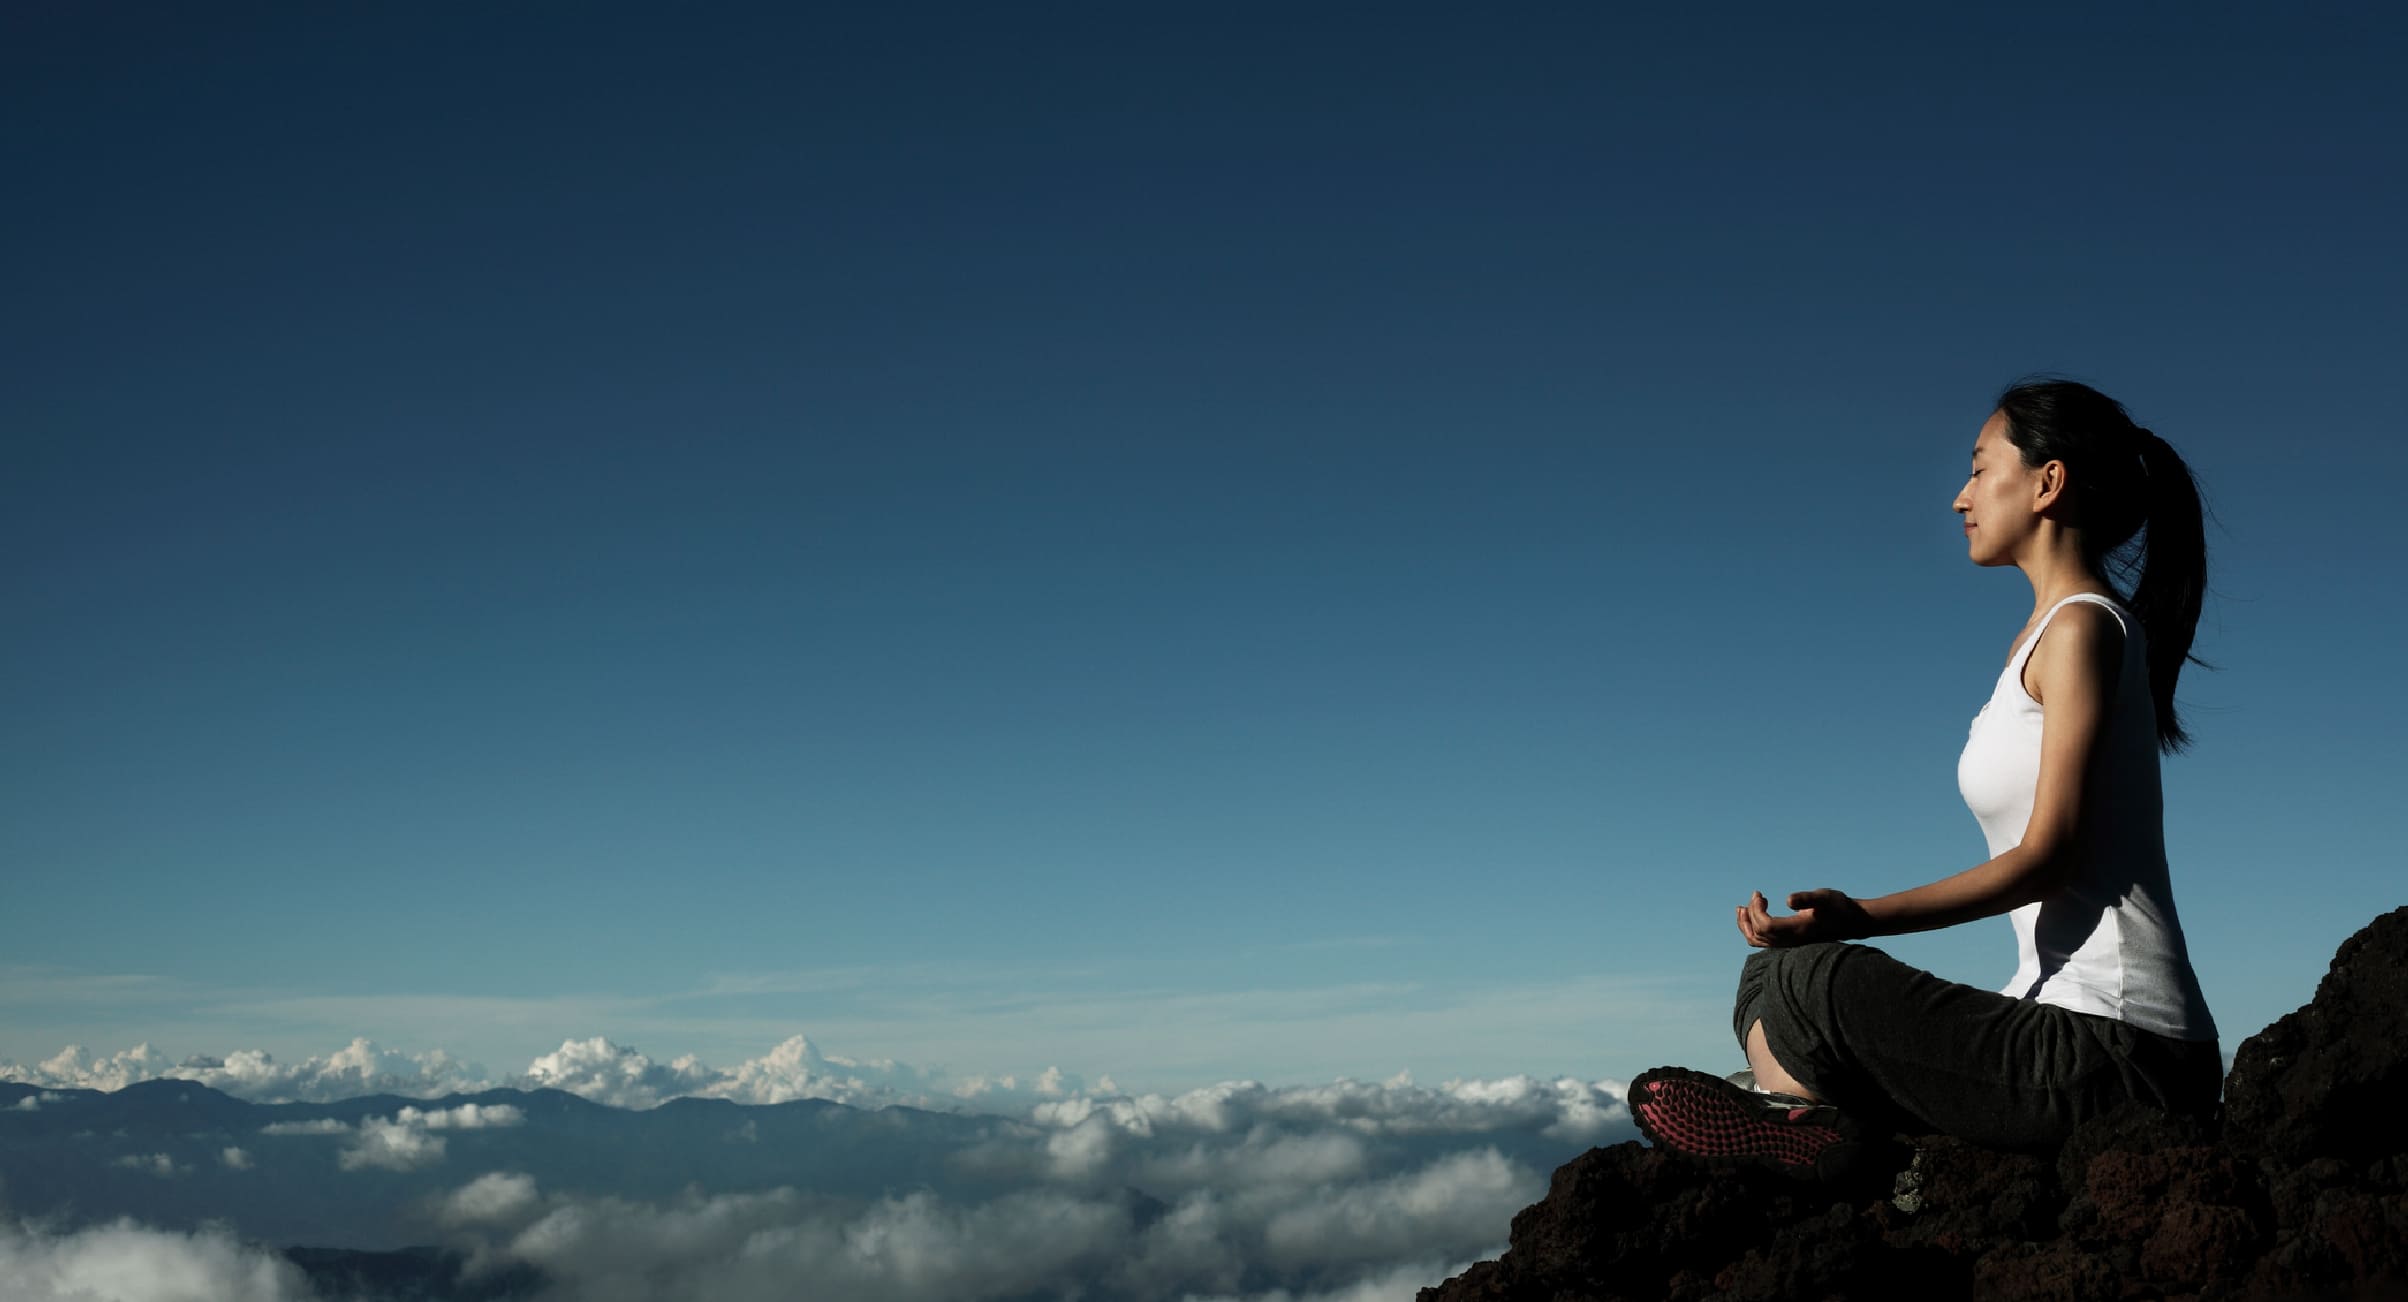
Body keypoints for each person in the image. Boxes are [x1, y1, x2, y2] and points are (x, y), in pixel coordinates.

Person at [1629, 378, 2225, 1178]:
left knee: (1813, 978)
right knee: (1770, 972)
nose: (1959, 497)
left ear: (2048, 483)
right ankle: (1813, 1119)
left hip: (2123, 1055)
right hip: (2061, 1030)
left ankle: (1828, 1136)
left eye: (1980, 469)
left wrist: (1860, 917)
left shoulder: (2084, 628)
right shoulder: (2049, 633)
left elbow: (2052, 857)